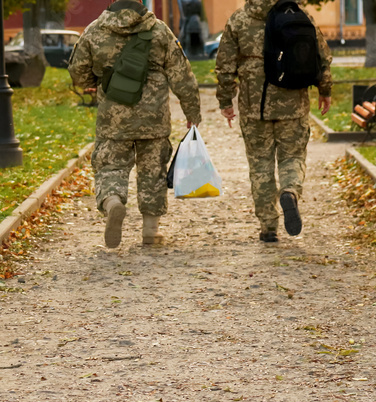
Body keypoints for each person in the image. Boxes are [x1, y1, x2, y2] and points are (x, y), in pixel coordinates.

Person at [69, 0, 202, 248]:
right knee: (152, 173)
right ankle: (151, 231)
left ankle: (113, 204)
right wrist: (192, 110)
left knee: (110, 167)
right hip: (153, 120)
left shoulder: (95, 30)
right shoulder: (160, 30)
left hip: (113, 119)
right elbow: (181, 74)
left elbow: (77, 72)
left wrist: (95, 79)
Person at [215, 0, 332, 243]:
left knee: (260, 166)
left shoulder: (239, 19)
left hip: (254, 107)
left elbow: (225, 65)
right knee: (293, 157)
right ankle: (289, 190)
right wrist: (325, 89)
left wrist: (226, 100)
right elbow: (321, 55)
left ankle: (268, 226)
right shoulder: (299, 15)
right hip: (293, 103)